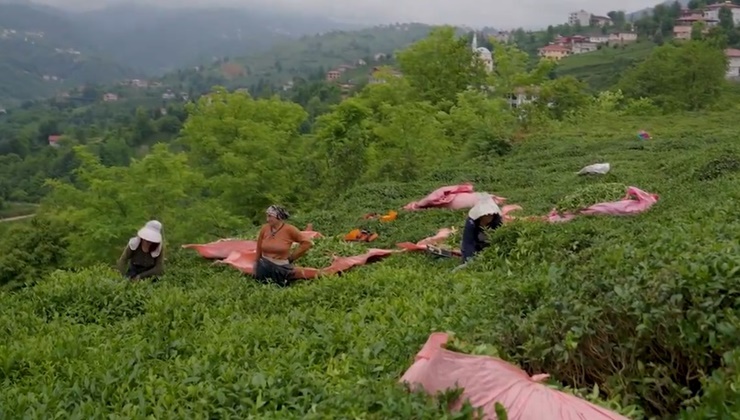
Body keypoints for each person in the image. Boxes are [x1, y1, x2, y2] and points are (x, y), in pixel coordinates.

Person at [254, 205, 313, 287]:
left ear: (279, 217)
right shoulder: (265, 229)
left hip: (280, 266)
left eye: (270, 216)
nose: (267, 219)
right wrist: (256, 263)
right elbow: (259, 246)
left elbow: (307, 243)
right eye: (267, 216)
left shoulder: (290, 230)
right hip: (264, 265)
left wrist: (292, 257)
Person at [458, 194, 503, 267]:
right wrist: (469, 259)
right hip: (476, 246)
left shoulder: (497, 221)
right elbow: (468, 242)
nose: (489, 216)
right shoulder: (471, 222)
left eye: (491, 214)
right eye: (486, 215)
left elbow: (499, 239)